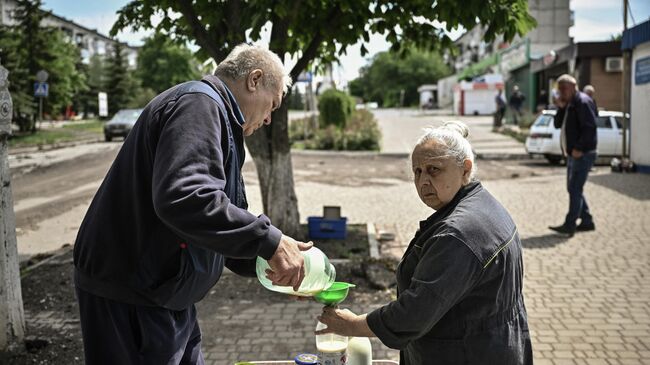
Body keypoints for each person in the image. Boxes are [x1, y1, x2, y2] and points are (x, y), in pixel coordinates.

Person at [73, 44, 312, 364]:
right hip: (133, 296)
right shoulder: (199, 105)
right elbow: (185, 198)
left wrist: (263, 258)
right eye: (272, 105)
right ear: (254, 80)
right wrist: (268, 241)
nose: (269, 119)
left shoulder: (217, 115)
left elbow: (210, 217)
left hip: (165, 295)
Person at [317, 121, 533, 365]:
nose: (423, 181)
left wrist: (354, 325)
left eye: (434, 169)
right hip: (493, 345)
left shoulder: (457, 234)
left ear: (465, 170)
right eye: (417, 172)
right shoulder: (481, 203)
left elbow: (414, 313)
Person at [549, 74, 598, 237]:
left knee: (575, 188)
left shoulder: (582, 102)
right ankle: (587, 221)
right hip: (572, 153)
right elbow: (557, 124)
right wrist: (561, 107)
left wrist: (579, 148)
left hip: (582, 153)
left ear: (574, 86)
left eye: (564, 88)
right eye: (559, 89)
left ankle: (570, 224)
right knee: (573, 188)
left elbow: (590, 127)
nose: (561, 92)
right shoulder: (569, 103)